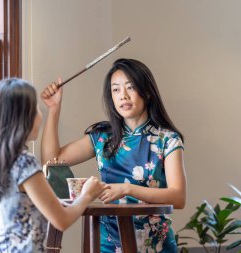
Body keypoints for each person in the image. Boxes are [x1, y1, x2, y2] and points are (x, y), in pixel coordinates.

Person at [41, 58, 187, 253]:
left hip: (155, 246)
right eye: (116, 90)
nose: (123, 96)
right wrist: (53, 109)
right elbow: (52, 161)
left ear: (148, 92)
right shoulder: (103, 136)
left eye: (131, 87)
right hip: (107, 244)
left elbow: (178, 197)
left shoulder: (167, 139)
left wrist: (127, 189)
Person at [0, 78, 108, 253]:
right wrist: (87, 195)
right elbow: (61, 220)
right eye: (35, 108)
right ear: (21, 118)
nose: (39, 114)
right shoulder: (24, 163)